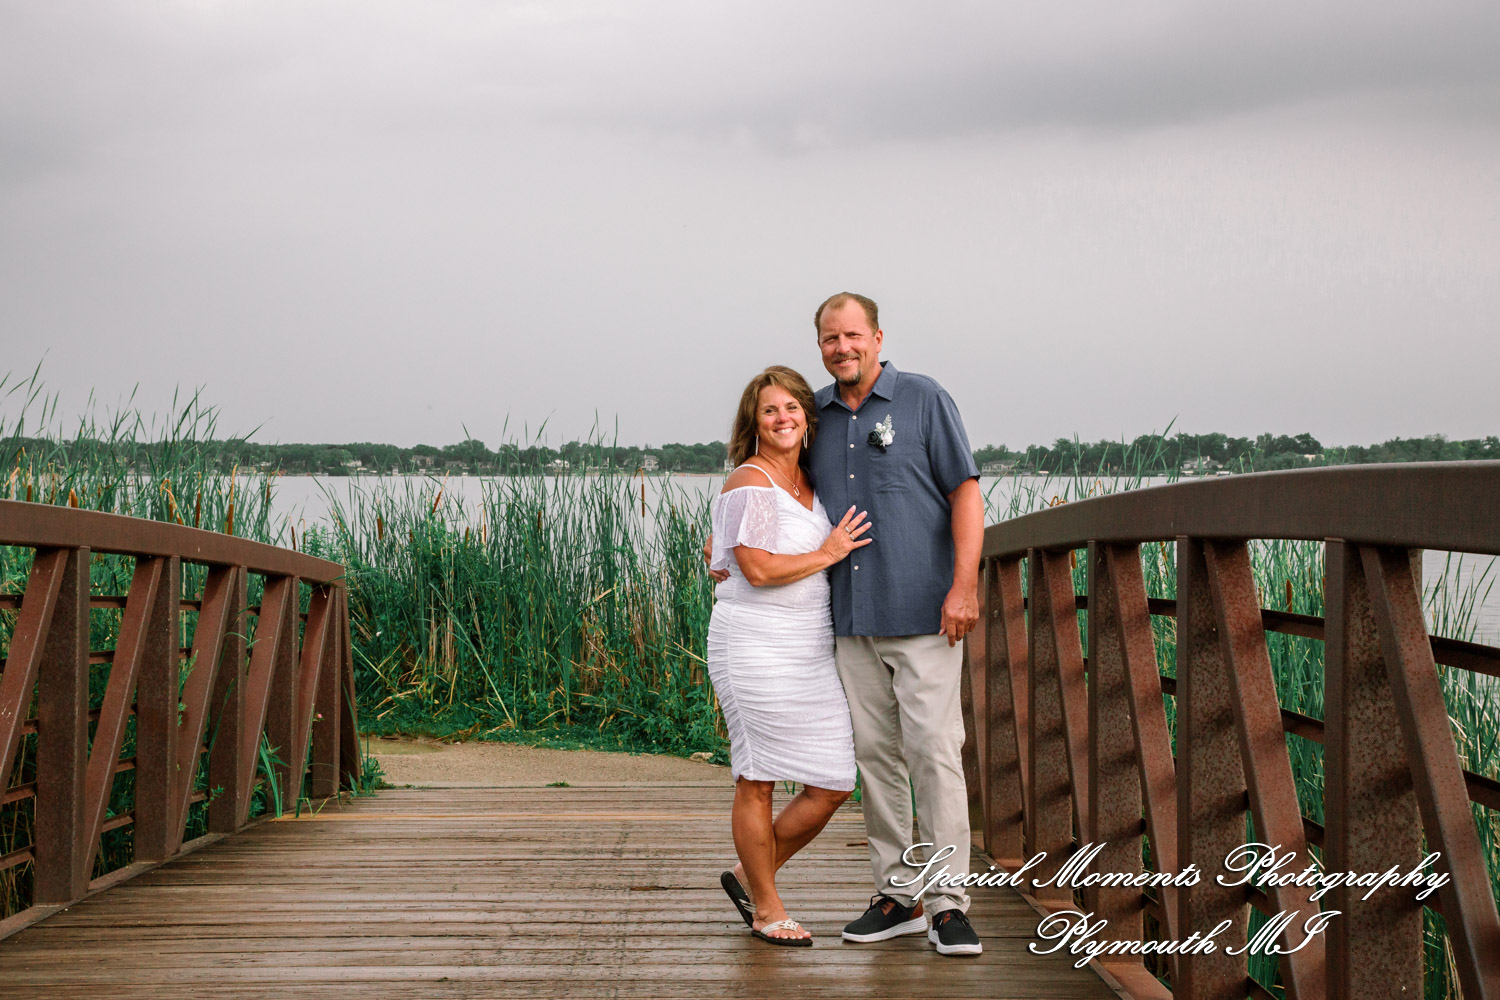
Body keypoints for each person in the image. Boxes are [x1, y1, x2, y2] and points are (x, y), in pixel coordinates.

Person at [707, 294, 984, 956]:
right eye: (830, 339)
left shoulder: (924, 399)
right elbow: (762, 504)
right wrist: (732, 559)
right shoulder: (819, 418)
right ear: (821, 347)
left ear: (877, 337)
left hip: (922, 614)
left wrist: (965, 584)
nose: (843, 347)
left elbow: (965, 491)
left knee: (935, 754)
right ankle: (897, 894)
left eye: (853, 335)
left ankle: (947, 901)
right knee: (875, 760)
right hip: (848, 623)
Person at [707, 365, 872, 947]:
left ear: (808, 418)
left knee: (832, 782)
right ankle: (766, 908)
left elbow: (728, 549)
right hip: (753, 642)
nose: (782, 419)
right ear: (754, 421)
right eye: (769, 410)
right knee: (758, 778)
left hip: (807, 646)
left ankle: (752, 875)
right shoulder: (750, 480)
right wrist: (829, 553)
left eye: (792, 409)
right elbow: (755, 568)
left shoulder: (809, 479)